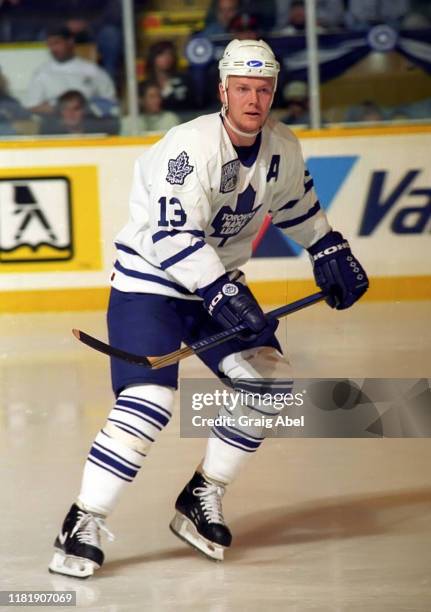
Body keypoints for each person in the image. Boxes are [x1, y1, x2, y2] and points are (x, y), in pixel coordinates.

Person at [48, 39, 369, 578]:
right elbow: (173, 237)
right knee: (148, 401)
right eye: (242, 88)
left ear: (273, 93)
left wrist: (327, 247)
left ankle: (203, 495)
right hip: (151, 286)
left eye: (263, 89)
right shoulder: (188, 147)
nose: (253, 98)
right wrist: (223, 292)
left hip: (216, 287)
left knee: (270, 384)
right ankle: (82, 520)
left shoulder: (282, 146)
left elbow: (298, 205)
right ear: (223, 90)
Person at [23, 26, 116, 116]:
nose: (53, 49)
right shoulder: (42, 73)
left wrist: (84, 111)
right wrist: (62, 111)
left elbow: (110, 101)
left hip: (89, 123)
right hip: (55, 124)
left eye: (56, 43)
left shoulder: (92, 70)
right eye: (50, 45)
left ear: (70, 42)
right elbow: (32, 106)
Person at [40, 89, 119, 135]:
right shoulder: (51, 134)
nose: (70, 113)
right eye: (65, 109)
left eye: (76, 108)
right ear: (60, 112)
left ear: (84, 110)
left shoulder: (99, 132)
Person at [145, 40, 192, 112]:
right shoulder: (145, 86)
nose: (167, 58)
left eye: (170, 54)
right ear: (153, 58)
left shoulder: (185, 81)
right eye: (161, 54)